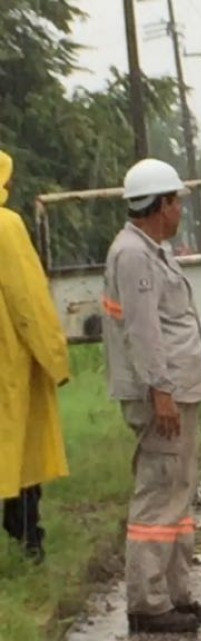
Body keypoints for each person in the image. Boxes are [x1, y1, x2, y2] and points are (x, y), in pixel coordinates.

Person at [102, 159, 201, 635]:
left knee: (177, 493)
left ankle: (174, 594)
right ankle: (148, 604)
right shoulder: (134, 255)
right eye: (176, 203)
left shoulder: (153, 249)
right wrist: (162, 392)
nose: (180, 212)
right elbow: (145, 333)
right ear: (160, 205)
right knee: (159, 495)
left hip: (175, 391)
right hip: (162, 396)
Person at [0, 150, 70, 565]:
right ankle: (28, 540)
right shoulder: (6, 227)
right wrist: (54, 358)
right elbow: (28, 301)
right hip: (8, 364)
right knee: (19, 453)